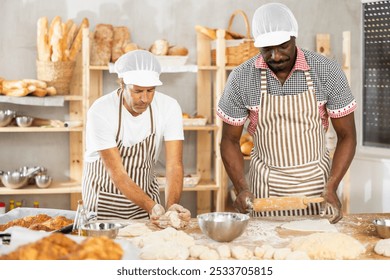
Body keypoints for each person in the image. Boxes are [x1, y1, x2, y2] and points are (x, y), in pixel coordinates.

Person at [217, 3, 357, 223]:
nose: (276, 56)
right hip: (264, 191)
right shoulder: (242, 77)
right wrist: (241, 188)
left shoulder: (326, 70)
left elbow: (347, 136)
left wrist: (332, 186)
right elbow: (229, 140)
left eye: (283, 46)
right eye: (266, 49)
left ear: (294, 37)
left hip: (317, 192)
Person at [82, 50, 190, 224]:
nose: (145, 99)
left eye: (151, 90)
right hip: (104, 204)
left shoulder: (169, 107)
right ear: (122, 83)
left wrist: (171, 207)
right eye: (138, 91)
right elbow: (117, 173)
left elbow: (174, 165)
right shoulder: (101, 110)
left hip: (147, 201)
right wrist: (151, 206)